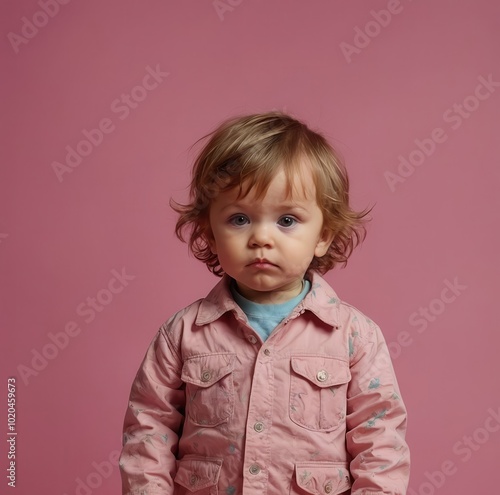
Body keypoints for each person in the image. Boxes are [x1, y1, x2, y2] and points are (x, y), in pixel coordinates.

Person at [119, 112, 410, 494]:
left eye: (287, 220)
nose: (261, 238)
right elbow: (148, 430)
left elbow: (380, 439)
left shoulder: (355, 337)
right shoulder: (182, 335)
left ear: (323, 235)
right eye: (239, 218)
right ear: (209, 231)